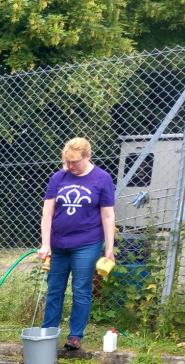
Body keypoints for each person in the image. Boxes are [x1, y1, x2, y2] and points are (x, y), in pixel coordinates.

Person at [37, 137, 116, 350]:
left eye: (74, 162)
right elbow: (47, 213)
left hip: (87, 243)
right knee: (54, 289)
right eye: (67, 162)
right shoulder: (58, 178)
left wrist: (109, 247)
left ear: (88, 156)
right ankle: (48, 334)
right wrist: (46, 244)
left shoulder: (102, 178)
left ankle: (75, 336)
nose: (70, 166)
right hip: (58, 244)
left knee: (81, 289)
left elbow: (108, 215)